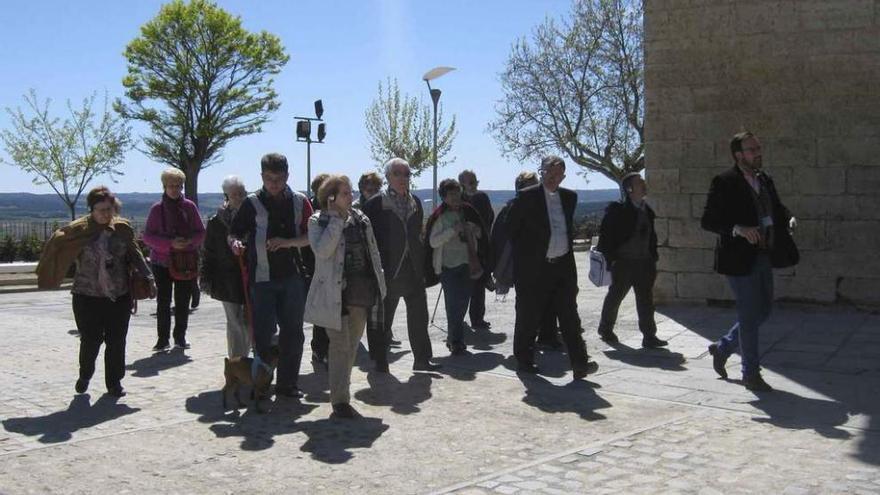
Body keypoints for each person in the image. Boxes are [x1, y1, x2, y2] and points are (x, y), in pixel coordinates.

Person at [701, 131, 799, 392]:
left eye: (758, 147)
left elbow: (777, 208)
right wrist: (738, 229)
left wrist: (787, 218)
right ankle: (750, 373)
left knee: (763, 310)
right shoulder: (725, 182)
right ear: (738, 155)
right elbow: (708, 220)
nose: (758, 152)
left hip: (764, 253)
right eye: (752, 149)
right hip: (738, 258)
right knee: (748, 314)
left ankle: (722, 348)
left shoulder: (764, 179)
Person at [37, 186, 156, 397]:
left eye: (109, 209)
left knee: (117, 341)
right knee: (91, 340)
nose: (105, 214)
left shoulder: (122, 229)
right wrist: (52, 272)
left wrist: (148, 277)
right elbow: (57, 247)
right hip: (86, 295)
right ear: (91, 209)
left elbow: (136, 255)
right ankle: (85, 374)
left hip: (118, 295)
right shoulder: (79, 231)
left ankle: (114, 383)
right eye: (101, 209)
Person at [229, 153, 313, 398]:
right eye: (268, 178)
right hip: (261, 279)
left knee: (293, 332)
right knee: (264, 335)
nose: (274, 183)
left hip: (293, 277)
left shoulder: (300, 201)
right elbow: (234, 233)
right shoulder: (251, 202)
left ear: (287, 176)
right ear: (262, 177)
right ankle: (262, 383)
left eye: (278, 178)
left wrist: (287, 243)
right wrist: (235, 244)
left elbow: (311, 236)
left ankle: (288, 384)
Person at [506, 156, 597, 379]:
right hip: (534, 269)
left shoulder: (569, 197)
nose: (553, 179)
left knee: (569, 316)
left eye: (558, 175)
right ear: (542, 171)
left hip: (562, 267)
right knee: (528, 315)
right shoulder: (527, 197)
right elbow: (511, 229)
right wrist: (528, 255)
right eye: (549, 173)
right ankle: (524, 360)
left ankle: (579, 363)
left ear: (563, 176)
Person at [304, 175, 387, 418]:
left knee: (351, 347)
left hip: (361, 292)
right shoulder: (317, 221)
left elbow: (372, 251)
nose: (351, 197)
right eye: (344, 193)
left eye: (350, 192)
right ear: (330, 197)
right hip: (335, 294)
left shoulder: (361, 219)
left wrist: (380, 282)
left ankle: (342, 392)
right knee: (340, 346)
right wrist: (336, 222)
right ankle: (340, 401)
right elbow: (323, 250)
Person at [363, 157, 441, 372]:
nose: (403, 178)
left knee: (419, 316)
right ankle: (380, 360)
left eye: (406, 174)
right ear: (388, 177)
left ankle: (422, 360)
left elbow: (418, 236)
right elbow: (367, 239)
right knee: (382, 319)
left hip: (413, 269)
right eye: (397, 174)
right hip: (387, 270)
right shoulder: (375, 204)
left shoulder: (415, 201)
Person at [595, 173, 668, 348]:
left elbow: (651, 237)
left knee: (646, 300)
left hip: (645, 263)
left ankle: (649, 336)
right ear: (629, 189)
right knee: (615, 297)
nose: (644, 184)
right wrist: (610, 259)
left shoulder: (647, 210)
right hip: (623, 263)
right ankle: (605, 329)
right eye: (639, 182)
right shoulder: (617, 210)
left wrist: (653, 257)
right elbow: (606, 237)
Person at [142, 168, 206, 351]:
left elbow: (201, 232)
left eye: (178, 186)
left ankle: (180, 336)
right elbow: (147, 237)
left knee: (183, 300)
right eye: (171, 186)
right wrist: (169, 244)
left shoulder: (189, 207)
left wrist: (188, 242)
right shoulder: (157, 209)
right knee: (163, 301)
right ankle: (162, 339)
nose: (175, 190)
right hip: (162, 262)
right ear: (164, 186)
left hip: (184, 261)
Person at [426, 179, 490, 355]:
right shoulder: (439, 216)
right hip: (448, 267)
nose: (455, 197)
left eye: (457, 193)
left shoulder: (469, 211)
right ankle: (456, 341)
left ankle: (454, 338)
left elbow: (481, 234)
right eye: (451, 194)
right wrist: (453, 230)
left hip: (469, 264)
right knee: (453, 305)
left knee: (462, 304)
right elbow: (432, 241)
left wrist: (474, 230)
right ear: (444, 197)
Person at [202, 175, 250, 358]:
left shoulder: (254, 217)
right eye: (234, 194)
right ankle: (237, 361)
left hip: (249, 274)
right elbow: (208, 251)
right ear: (226, 196)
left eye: (242, 193)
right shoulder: (216, 221)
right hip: (226, 278)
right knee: (234, 321)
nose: (239, 197)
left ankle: (247, 358)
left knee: (249, 321)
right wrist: (207, 277)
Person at [458, 170, 495, 331]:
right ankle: (458, 318)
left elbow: (488, 218)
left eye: (475, 181)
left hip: (480, 245)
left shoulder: (482, 197)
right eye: (470, 182)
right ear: (461, 185)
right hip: (460, 247)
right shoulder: (456, 200)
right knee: (461, 286)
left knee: (478, 284)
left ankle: (477, 318)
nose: (474, 185)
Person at [303, 173, 330, 368]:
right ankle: (319, 349)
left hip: (330, 267)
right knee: (320, 310)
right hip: (312, 266)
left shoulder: (335, 208)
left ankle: (325, 348)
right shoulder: (311, 210)